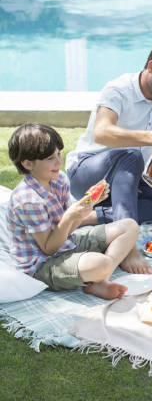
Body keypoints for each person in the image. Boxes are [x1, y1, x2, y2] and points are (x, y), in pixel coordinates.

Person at [66, 41, 152, 274]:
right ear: (151, 66)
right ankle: (125, 247)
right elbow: (102, 131)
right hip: (86, 172)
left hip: (126, 179)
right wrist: (149, 137)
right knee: (132, 155)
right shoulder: (118, 90)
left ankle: (92, 215)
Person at [6, 124, 141, 300]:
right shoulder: (28, 201)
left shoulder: (59, 179)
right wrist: (70, 215)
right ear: (28, 163)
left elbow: (68, 229)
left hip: (67, 243)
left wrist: (85, 208)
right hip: (42, 264)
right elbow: (48, 249)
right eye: (50, 158)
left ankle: (101, 281)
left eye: (58, 154)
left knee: (129, 226)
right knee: (103, 263)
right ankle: (100, 274)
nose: (58, 162)